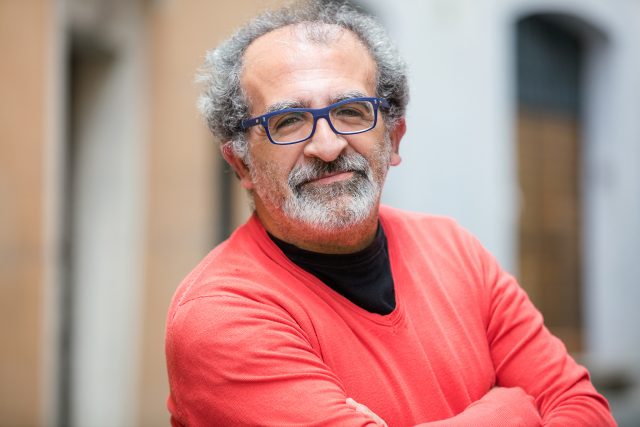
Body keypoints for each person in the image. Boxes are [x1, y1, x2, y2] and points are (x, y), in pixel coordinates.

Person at [165, 1, 616, 425]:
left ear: (394, 138)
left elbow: (582, 407)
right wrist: (513, 410)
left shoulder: (455, 250)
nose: (328, 146)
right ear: (241, 164)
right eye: (288, 121)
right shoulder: (221, 316)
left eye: (351, 111)